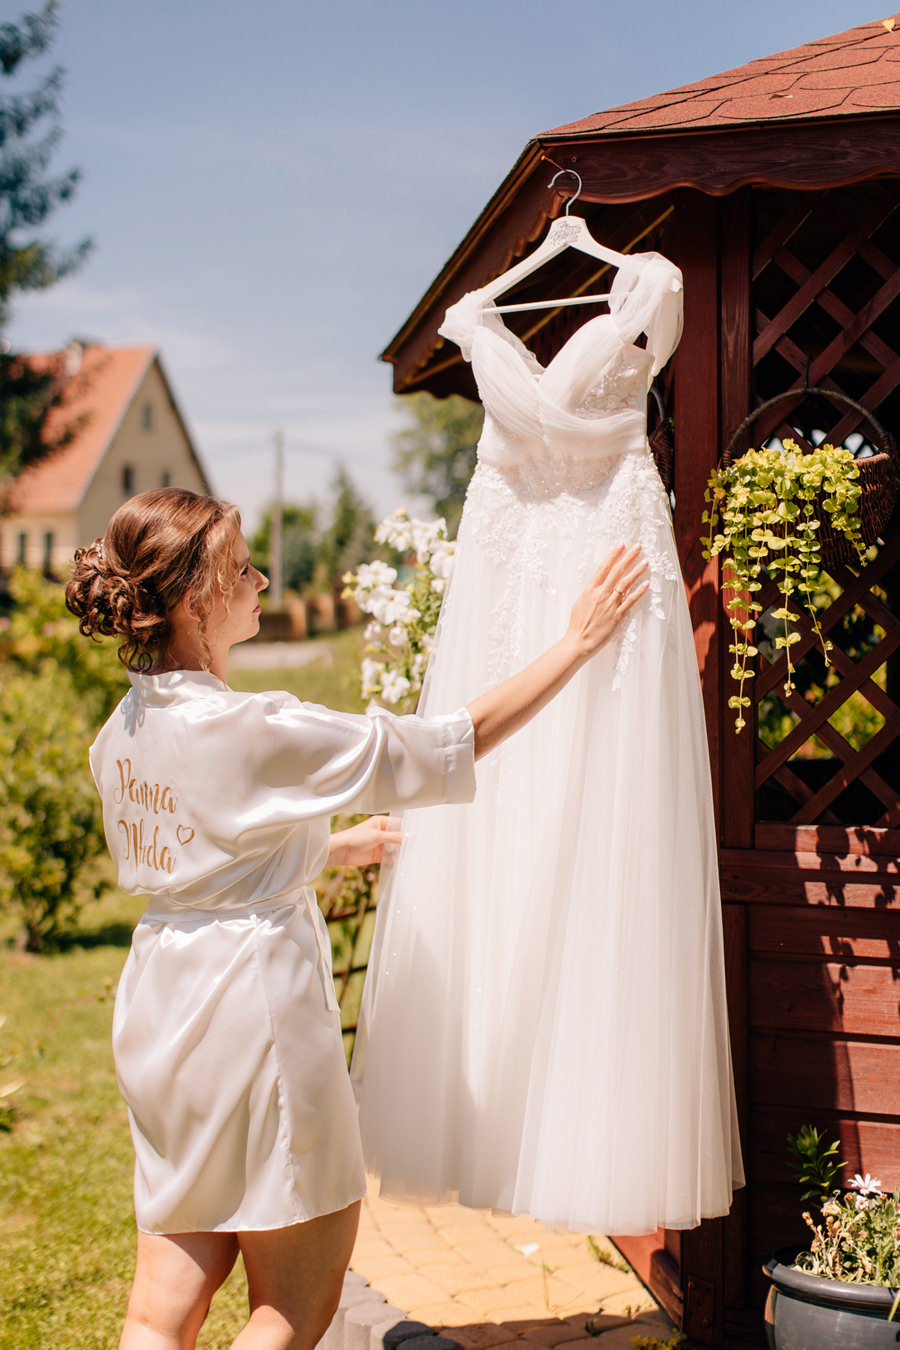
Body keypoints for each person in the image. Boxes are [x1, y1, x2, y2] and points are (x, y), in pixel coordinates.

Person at [65, 487, 647, 1350]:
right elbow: (449, 740)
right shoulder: (257, 726)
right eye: (244, 568)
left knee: (162, 1300)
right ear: (196, 601)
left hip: (160, 1011)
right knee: (295, 1303)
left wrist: (337, 848)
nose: (261, 580)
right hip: (248, 1012)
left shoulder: (119, 733)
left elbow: (197, 861)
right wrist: (578, 641)